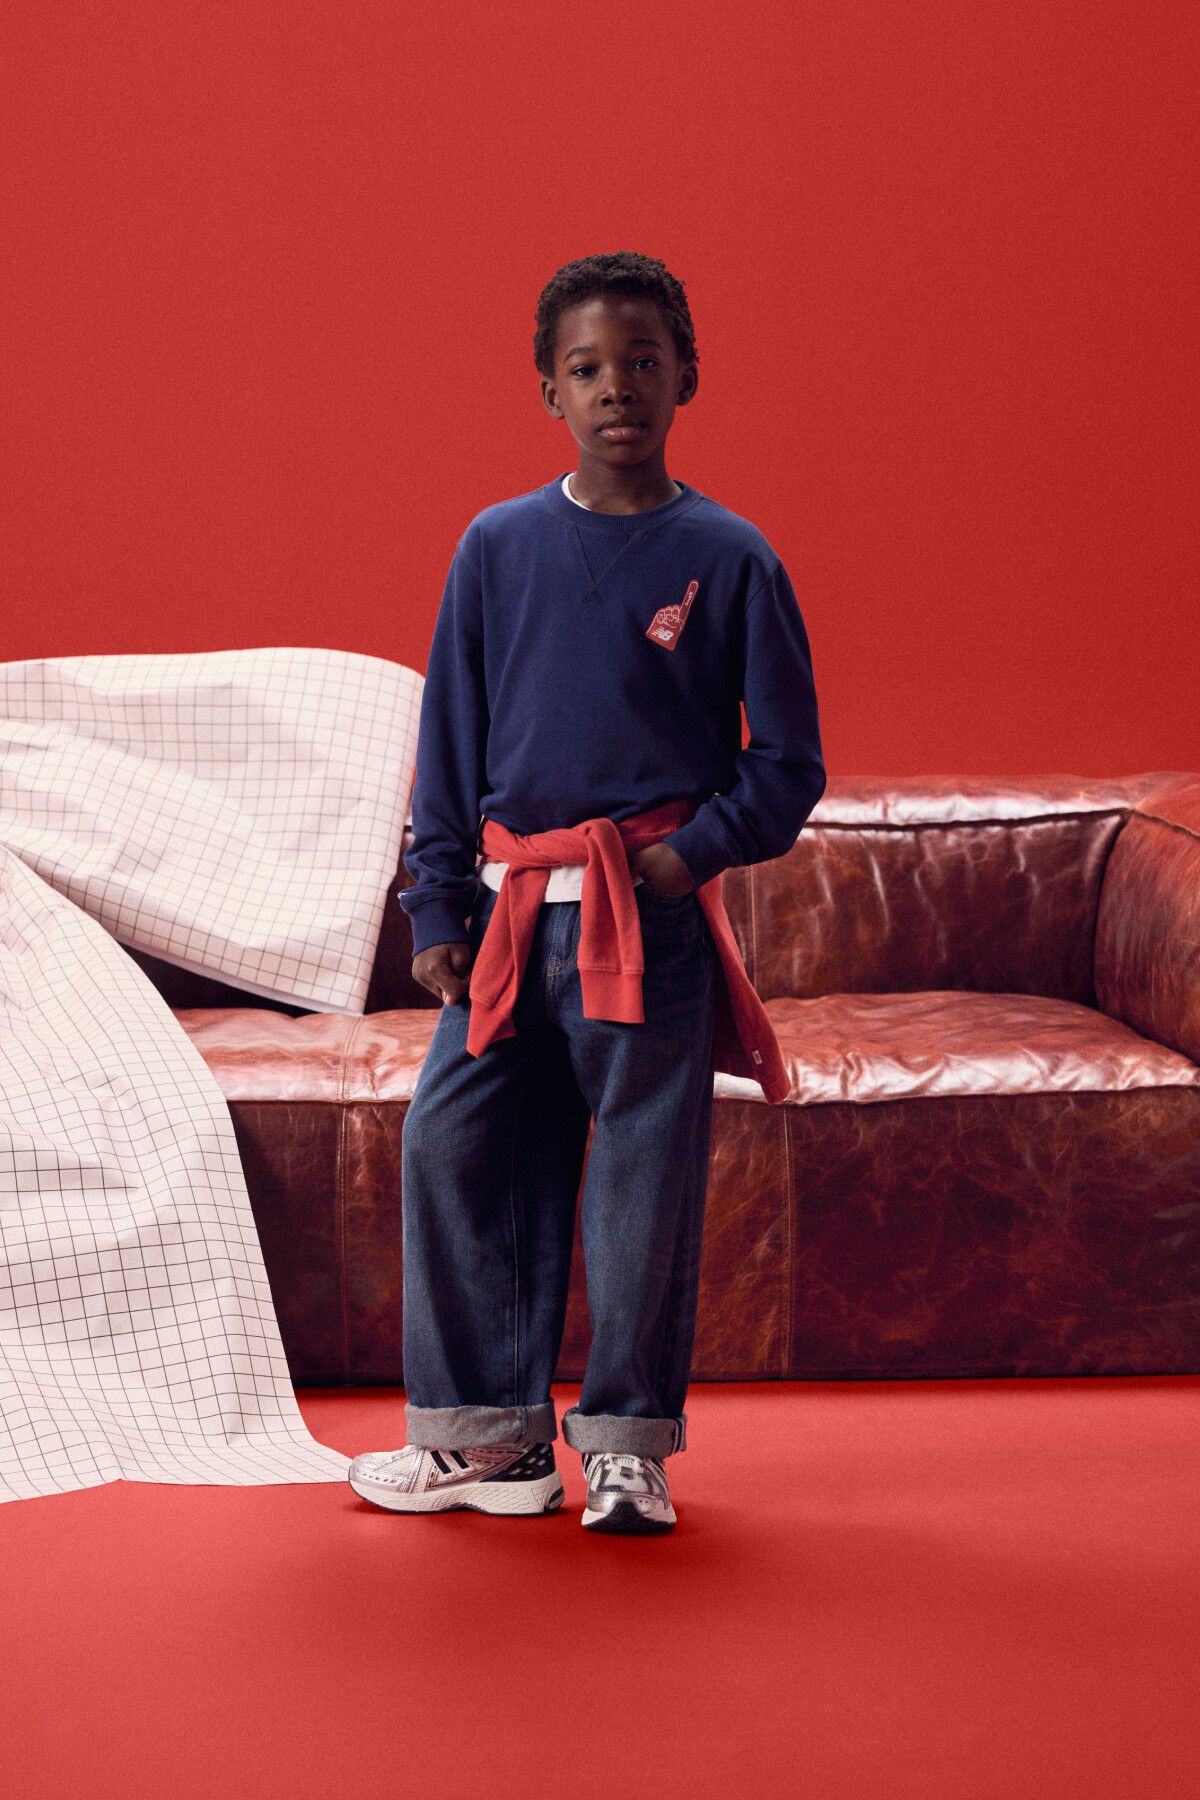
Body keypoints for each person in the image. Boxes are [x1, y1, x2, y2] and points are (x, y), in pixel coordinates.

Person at [349, 251, 825, 1534]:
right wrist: (435, 906)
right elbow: (450, 744)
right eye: (588, 367)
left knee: (641, 1183)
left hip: (644, 919)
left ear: (687, 378)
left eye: (643, 362)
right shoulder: (497, 548)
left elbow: (788, 763)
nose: (618, 387)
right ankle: (490, 1441)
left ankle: (625, 1448)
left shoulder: (729, 557)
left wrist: (687, 858)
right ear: (548, 389)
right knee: (456, 1144)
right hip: (510, 917)